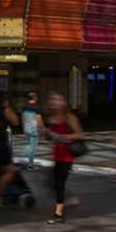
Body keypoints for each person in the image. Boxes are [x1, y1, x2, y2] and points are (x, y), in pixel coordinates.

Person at [44, 91, 85, 224]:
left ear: (63, 102)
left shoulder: (69, 117)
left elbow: (80, 135)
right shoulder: (51, 118)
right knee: (53, 183)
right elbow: (50, 137)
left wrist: (64, 137)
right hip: (56, 155)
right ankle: (67, 200)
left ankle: (58, 214)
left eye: (57, 100)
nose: (53, 102)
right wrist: (46, 133)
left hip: (67, 156)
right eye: (51, 100)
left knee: (59, 184)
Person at [22, 92, 43, 171]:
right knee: (33, 148)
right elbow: (39, 119)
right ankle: (30, 164)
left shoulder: (24, 107)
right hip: (34, 129)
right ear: (34, 98)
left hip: (27, 129)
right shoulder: (36, 107)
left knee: (29, 146)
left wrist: (24, 128)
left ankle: (28, 162)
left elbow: (23, 118)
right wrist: (41, 128)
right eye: (36, 96)